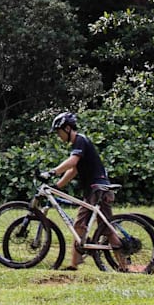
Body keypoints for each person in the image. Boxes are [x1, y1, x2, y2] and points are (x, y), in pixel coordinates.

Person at [48, 111, 123, 270]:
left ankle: (124, 266)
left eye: (59, 132)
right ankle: (74, 264)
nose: (58, 136)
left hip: (97, 189)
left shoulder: (80, 140)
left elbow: (72, 161)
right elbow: (74, 169)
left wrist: (53, 171)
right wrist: (57, 186)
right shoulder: (78, 144)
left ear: (67, 129)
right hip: (93, 191)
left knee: (106, 229)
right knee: (80, 225)